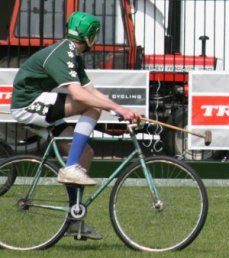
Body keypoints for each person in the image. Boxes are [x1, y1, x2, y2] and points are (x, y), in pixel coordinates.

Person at [10, 11, 141, 240]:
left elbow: (92, 91)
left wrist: (121, 109)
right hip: (28, 104)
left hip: (39, 102)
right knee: (91, 108)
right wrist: (117, 109)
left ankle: (74, 220)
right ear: (89, 35)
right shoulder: (63, 53)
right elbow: (80, 95)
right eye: (96, 34)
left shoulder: (73, 55)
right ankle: (69, 168)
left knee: (85, 153)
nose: (97, 38)